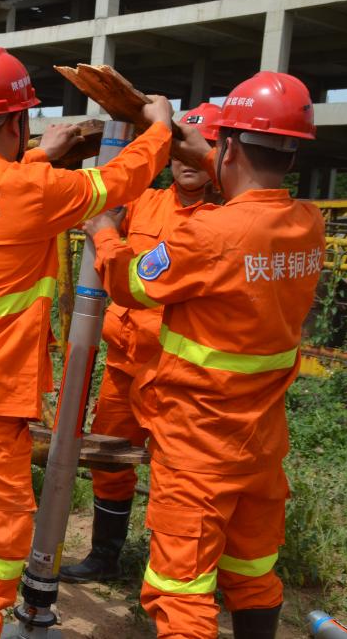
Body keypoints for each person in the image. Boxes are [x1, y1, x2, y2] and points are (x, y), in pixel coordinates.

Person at [0, 46, 175, 639]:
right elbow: (121, 179)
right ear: (17, 122)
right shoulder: (33, 190)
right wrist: (160, 128)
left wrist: (39, 157)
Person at [84, 72, 324, 639]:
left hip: (199, 444)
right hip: (259, 444)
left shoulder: (210, 233)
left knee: (181, 591)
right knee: (252, 575)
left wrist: (104, 235)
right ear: (292, 154)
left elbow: (130, 284)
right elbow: (253, 202)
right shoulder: (307, 224)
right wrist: (210, 155)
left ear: (230, 147)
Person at [60, 103, 222, 584]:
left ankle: (179, 569)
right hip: (123, 362)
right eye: (178, 151)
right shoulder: (146, 202)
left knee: (181, 473)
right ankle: (105, 558)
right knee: (110, 458)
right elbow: (94, 209)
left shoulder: (224, 220)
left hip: (177, 373)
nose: (187, 162)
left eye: (200, 150)